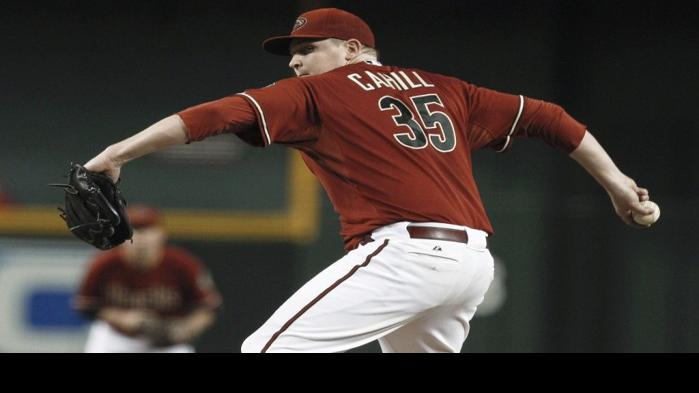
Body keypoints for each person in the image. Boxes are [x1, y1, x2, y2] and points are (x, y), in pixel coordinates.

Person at [83, 8, 654, 353]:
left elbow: (213, 116)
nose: (295, 62)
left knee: (265, 348)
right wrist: (619, 184)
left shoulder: (319, 94)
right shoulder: (447, 88)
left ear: (353, 50)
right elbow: (550, 117)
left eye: (308, 50)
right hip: (471, 262)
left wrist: (118, 152)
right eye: (293, 54)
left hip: (406, 254)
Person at [73, 204, 221, 353]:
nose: (140, 238)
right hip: (117, 338)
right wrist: (121, 318)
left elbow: (208, 307)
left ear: (161, 234)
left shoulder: (183, 265)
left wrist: (186, 328)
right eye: (133, 230)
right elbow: (86, 306)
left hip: (166, 344)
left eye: (147, 230)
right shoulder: (104, 265)